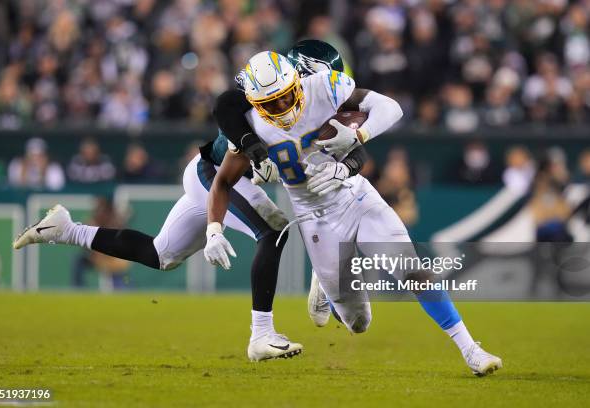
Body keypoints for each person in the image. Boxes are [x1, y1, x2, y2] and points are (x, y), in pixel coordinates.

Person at [13, 40, 353, 362]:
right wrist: (252, 146)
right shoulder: (269, 93)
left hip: (211, 175)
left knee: (161, 255)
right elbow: (226, 104)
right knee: (274, 230)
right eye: (325, 78)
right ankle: (261, 335)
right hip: (214, 176)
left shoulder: (308, 111)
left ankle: (65, 230)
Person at [205, 50, 502, 376]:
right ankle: (328, 290)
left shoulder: (323, 88)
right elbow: (222, 183)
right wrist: (214, 230)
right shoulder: (248, 126)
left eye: (286, 97)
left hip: (357, 198)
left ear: (297, 84)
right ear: (254, 103)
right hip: (315, 218)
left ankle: (471, 349)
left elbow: (391, 108)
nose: (283, 109)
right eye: (271, 103)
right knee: (358, 322)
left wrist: (356, 143)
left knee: (411, 268)